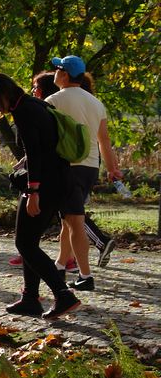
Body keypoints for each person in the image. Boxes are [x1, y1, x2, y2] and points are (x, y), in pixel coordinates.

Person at [0, 72, 82, 320]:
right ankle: (30, 298)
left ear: (1, 97)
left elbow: (36, 154)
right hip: (61, 179)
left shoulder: (24, 112)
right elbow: (47, 146)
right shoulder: (39, 104)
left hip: (44, 184)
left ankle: (63, 295)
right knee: (30, 242)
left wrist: (33, 191)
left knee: (24, 243)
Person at [46, 55, 122, 292]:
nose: (54, 73)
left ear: (65, 74)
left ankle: (85, 276)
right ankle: (60, 265)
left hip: (67, 167)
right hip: (90, 168)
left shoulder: (52, 100)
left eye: (57, 69)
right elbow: (104, 141)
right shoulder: (96, 103)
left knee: (75, 222)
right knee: (68, 221)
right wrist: (112, 169)